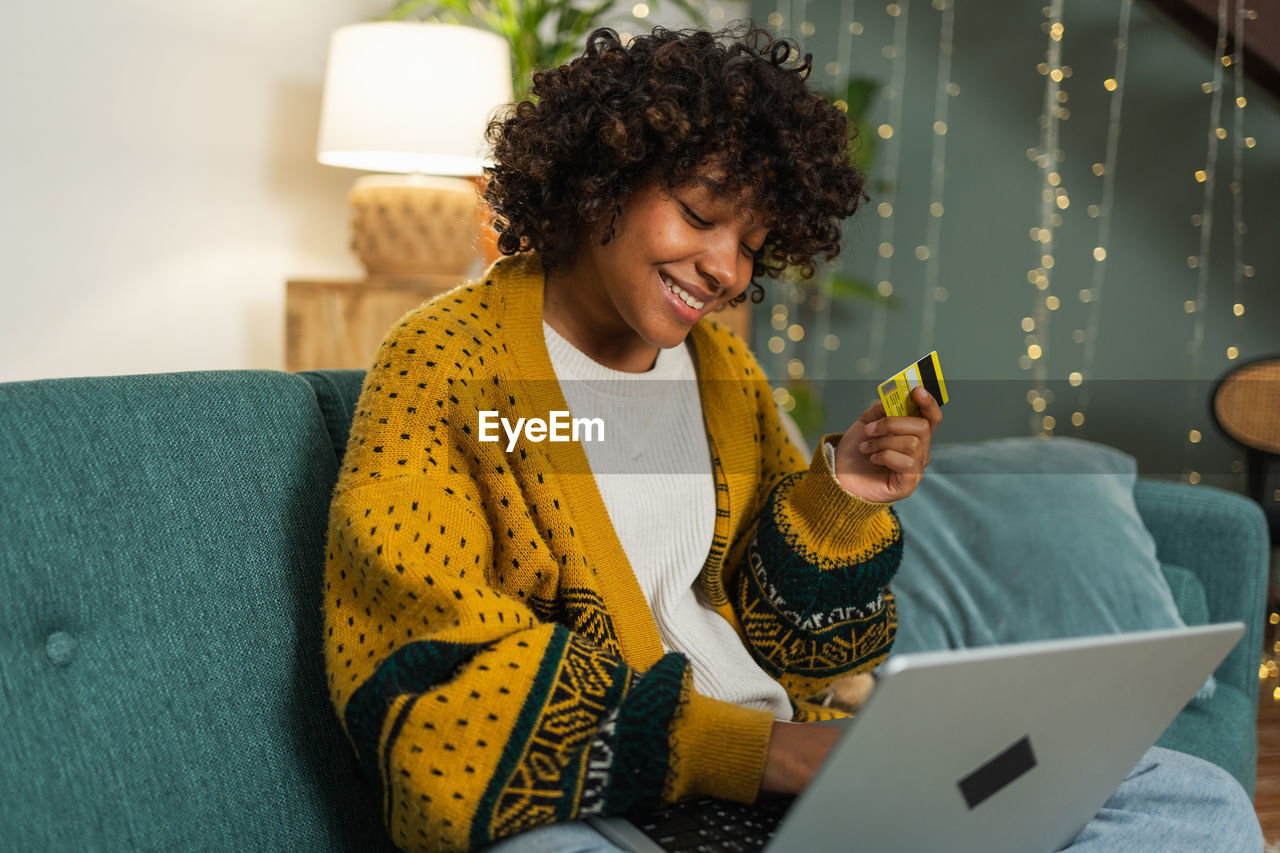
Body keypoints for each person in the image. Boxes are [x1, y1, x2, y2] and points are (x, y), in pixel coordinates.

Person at [323, 24, 1262, 853]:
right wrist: (759, 754)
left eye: (753, 244)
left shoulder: (721, 377)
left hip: (788, 775)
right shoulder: (449, 364)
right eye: (698, 214)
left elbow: (797, 647)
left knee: (1187, 800)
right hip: (613, 797)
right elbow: (433, 686)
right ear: (598, 176)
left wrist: (838, 501)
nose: (726, 270)